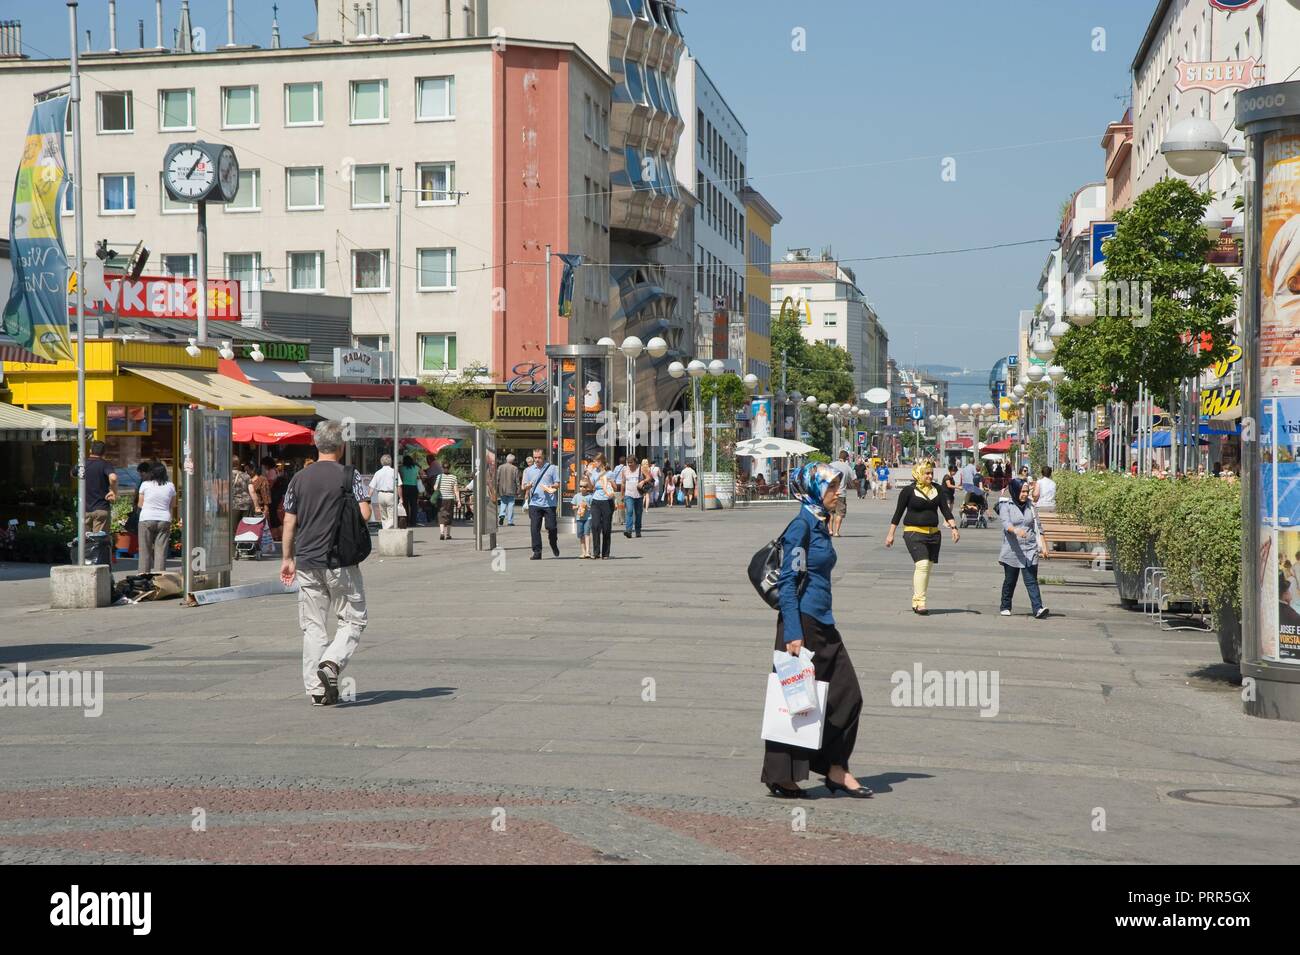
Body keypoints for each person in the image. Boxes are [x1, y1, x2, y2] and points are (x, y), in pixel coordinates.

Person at [762, 462, 870, 800]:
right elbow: (789, 583)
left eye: (837, 486)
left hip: (823, 621)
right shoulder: (802, 526)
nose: (837, 492)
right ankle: (782, 777)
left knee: (848, 695)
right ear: (812, 489)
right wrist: (793, 631)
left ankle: (835, 768)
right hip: (802, 625)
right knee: (794, 701)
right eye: (831, 488)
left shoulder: (819, 523)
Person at [279, 420, 372, 707]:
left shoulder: (299, 478)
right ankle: (331, 662)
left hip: (307, 560)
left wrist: (287, 558)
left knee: (313, 626)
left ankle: (316, 691)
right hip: (341, 560)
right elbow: (365, 514)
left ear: (316, 445)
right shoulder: (349, 475)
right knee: (353, 619)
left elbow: (289, 520)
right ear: (341, 447)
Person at [885, 460, 959, 615]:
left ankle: (916, 599)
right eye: (926, 473)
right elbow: (898, 513)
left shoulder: (937, 489)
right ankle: (921, 602)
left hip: (933, 534)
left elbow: (945, 510)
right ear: (918, 473)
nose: (930, 476)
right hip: (913, 532)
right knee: (923, 565)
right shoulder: (908, 491)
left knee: (927, 569)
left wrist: (954, 528)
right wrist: (891, 534)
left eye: (931, 473)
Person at [999, 478, 1048, 619]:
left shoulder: (1031, 506)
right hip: (1012, 549)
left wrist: (1044, 546)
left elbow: (1039, 527)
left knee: (1031, 580)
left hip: (1030, 548)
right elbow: (1005, 523)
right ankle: (1005, 606)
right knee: (1010, 580)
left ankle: (1038, 608)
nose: (1025, 494)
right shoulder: (1006, 505)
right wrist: (1015, 530)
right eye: (1022, 491)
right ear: (1015, 491)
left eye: (1026, 491)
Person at [136, 462, 177, 575]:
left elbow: (140, 504)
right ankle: (159, 579)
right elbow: (172, 505)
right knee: (161, 551)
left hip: (146, 519)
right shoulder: (170, 485)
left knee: (145, 551)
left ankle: (143, 577)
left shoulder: (145, 485)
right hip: (164, 519)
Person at [522, 448, 560, 559]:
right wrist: (527, 487)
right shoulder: (528, 470)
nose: (537, 460)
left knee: (551, 527)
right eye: (535, 457)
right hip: (534, 503)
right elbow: (523, 486)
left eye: (539, 457)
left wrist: (551, 486)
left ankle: (553, 543)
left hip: (549, 503)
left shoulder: (552, 468)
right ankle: (537, 552)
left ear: (544, 457)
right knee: (534, 528)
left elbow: (557, 484)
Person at [83, 441, 117, 533]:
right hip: (101, 508)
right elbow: (113, 478)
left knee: (85, 542)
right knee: (99, 541)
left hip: (84, 509)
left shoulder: (82, 464)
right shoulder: (105, 464)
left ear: (90, 450)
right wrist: (113, 491)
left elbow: (73, 473)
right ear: (104, 452)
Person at [587, 452, 615, 558]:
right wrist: (589, 477)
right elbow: (591, 487)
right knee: (595, 526)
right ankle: (596, 552)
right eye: (594, 461)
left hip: (607, 501)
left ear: (602, 461)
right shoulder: (594, 472)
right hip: (596, 500)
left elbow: (615, 488)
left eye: (597, 461)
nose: (595, 463)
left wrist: (608, 482)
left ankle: (606, 553)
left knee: (606, 528)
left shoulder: (609, 473)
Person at [828, 450, 855, 537]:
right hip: (841, 493)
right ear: (846, 458)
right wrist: (856, 487)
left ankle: (830, 530)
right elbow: (854, 479)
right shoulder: (847, 467)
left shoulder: (831, 465)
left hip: (830, 492)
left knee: (830, 512)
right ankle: (836, 532)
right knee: (839, 513)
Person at [367, 454, 398, 529]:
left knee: (383, 516)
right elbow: (399, 485)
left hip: (380, 495)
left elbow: (372, 486)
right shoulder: (394, 472)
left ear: (381, 462)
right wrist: (401, 497)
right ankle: (388, 530)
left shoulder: (378, 472)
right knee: (392, 516)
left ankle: (385, 531)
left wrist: (368, 497)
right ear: (390, 462)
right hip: (391, 494)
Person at [433, 464, 459, 540]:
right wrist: (458, 500)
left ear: (442, 468)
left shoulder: (439, 477)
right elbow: (456, 490)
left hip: (441, 499)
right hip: (450, 499)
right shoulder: (453, 477)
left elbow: (435, 487)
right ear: (449, 468)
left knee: (441, 515)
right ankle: (448, 534)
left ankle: (441, 533)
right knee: (449, 515)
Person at [622, 455, 645, 538]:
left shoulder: (640, 468)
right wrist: (622, 494)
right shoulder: (625, 470)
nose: (629, 464)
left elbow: (649, 477)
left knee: (638, 513)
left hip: (639, 495)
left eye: (631, 462)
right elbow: (623, 483)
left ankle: (638, 530)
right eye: (628, 463)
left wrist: (643, 482)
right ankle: (628, 530)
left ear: (635, 462)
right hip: (628, 494)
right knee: (629, 511)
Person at [496, 453, 520, 526]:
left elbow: (497, 478)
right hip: (511, 489)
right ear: (513, 460)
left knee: (503, 502)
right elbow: (517, 480)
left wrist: (496, 488)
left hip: (502, 489)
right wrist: (518, 490)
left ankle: (502, 514)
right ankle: (510, 521)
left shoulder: (500, 467)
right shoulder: (515, 468)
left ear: (506, 459)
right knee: (511, 504)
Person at [573, 478, 594, 558]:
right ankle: (583, 551)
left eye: (584, 487)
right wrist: (578, 506)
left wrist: (588, 506)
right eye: (581, 486)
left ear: (587, 487)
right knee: (581, 535)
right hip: (579, 518)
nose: (582, 488)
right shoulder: (576, 496)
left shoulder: (590, 497)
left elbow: (592, 507)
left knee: (587, 534)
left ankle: (588, 551)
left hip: (588, 517)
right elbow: (573, 507)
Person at [399, 454, 422, 527]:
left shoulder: (401, 468)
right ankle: (413, 522)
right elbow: (422, 474)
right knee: (414, 505)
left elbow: (401, 477)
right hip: (414, 487)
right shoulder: (416, 468)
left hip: (405, 487)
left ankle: (406, 521)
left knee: (405, 505)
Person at [232, 456, 253, 528]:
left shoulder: (227, 475)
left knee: (233, 526)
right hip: (246, 503)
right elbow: (252, 491)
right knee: (245, 525)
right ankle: (243, 538)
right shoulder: (246, 475)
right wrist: (256, 505)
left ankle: (234, 537)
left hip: (234, 503)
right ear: (238, 464)